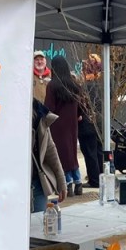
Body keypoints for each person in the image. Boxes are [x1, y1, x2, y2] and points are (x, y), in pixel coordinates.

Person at [44, 55, 85, 196]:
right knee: (72, 152)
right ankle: (78, 181)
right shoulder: (75, 86)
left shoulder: (52, 85)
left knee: (61, 153)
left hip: (57, 125)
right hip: (72, 124)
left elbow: (49, 107)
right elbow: (81, 106)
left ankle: (67, 184)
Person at [31, 98, 67, 212]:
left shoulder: (38, 111)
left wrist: (61, 181)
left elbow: (50, 148)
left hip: (36, 184)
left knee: (38, 225)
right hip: (10, 186)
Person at [79, 53, 104, 188]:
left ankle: (94, 180)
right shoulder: (104, 83)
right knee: (98, 150)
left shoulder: (86, 86)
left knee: (90, 152)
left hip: (88, 123)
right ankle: (100, 177)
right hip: (101, 121)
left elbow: (82, 105)